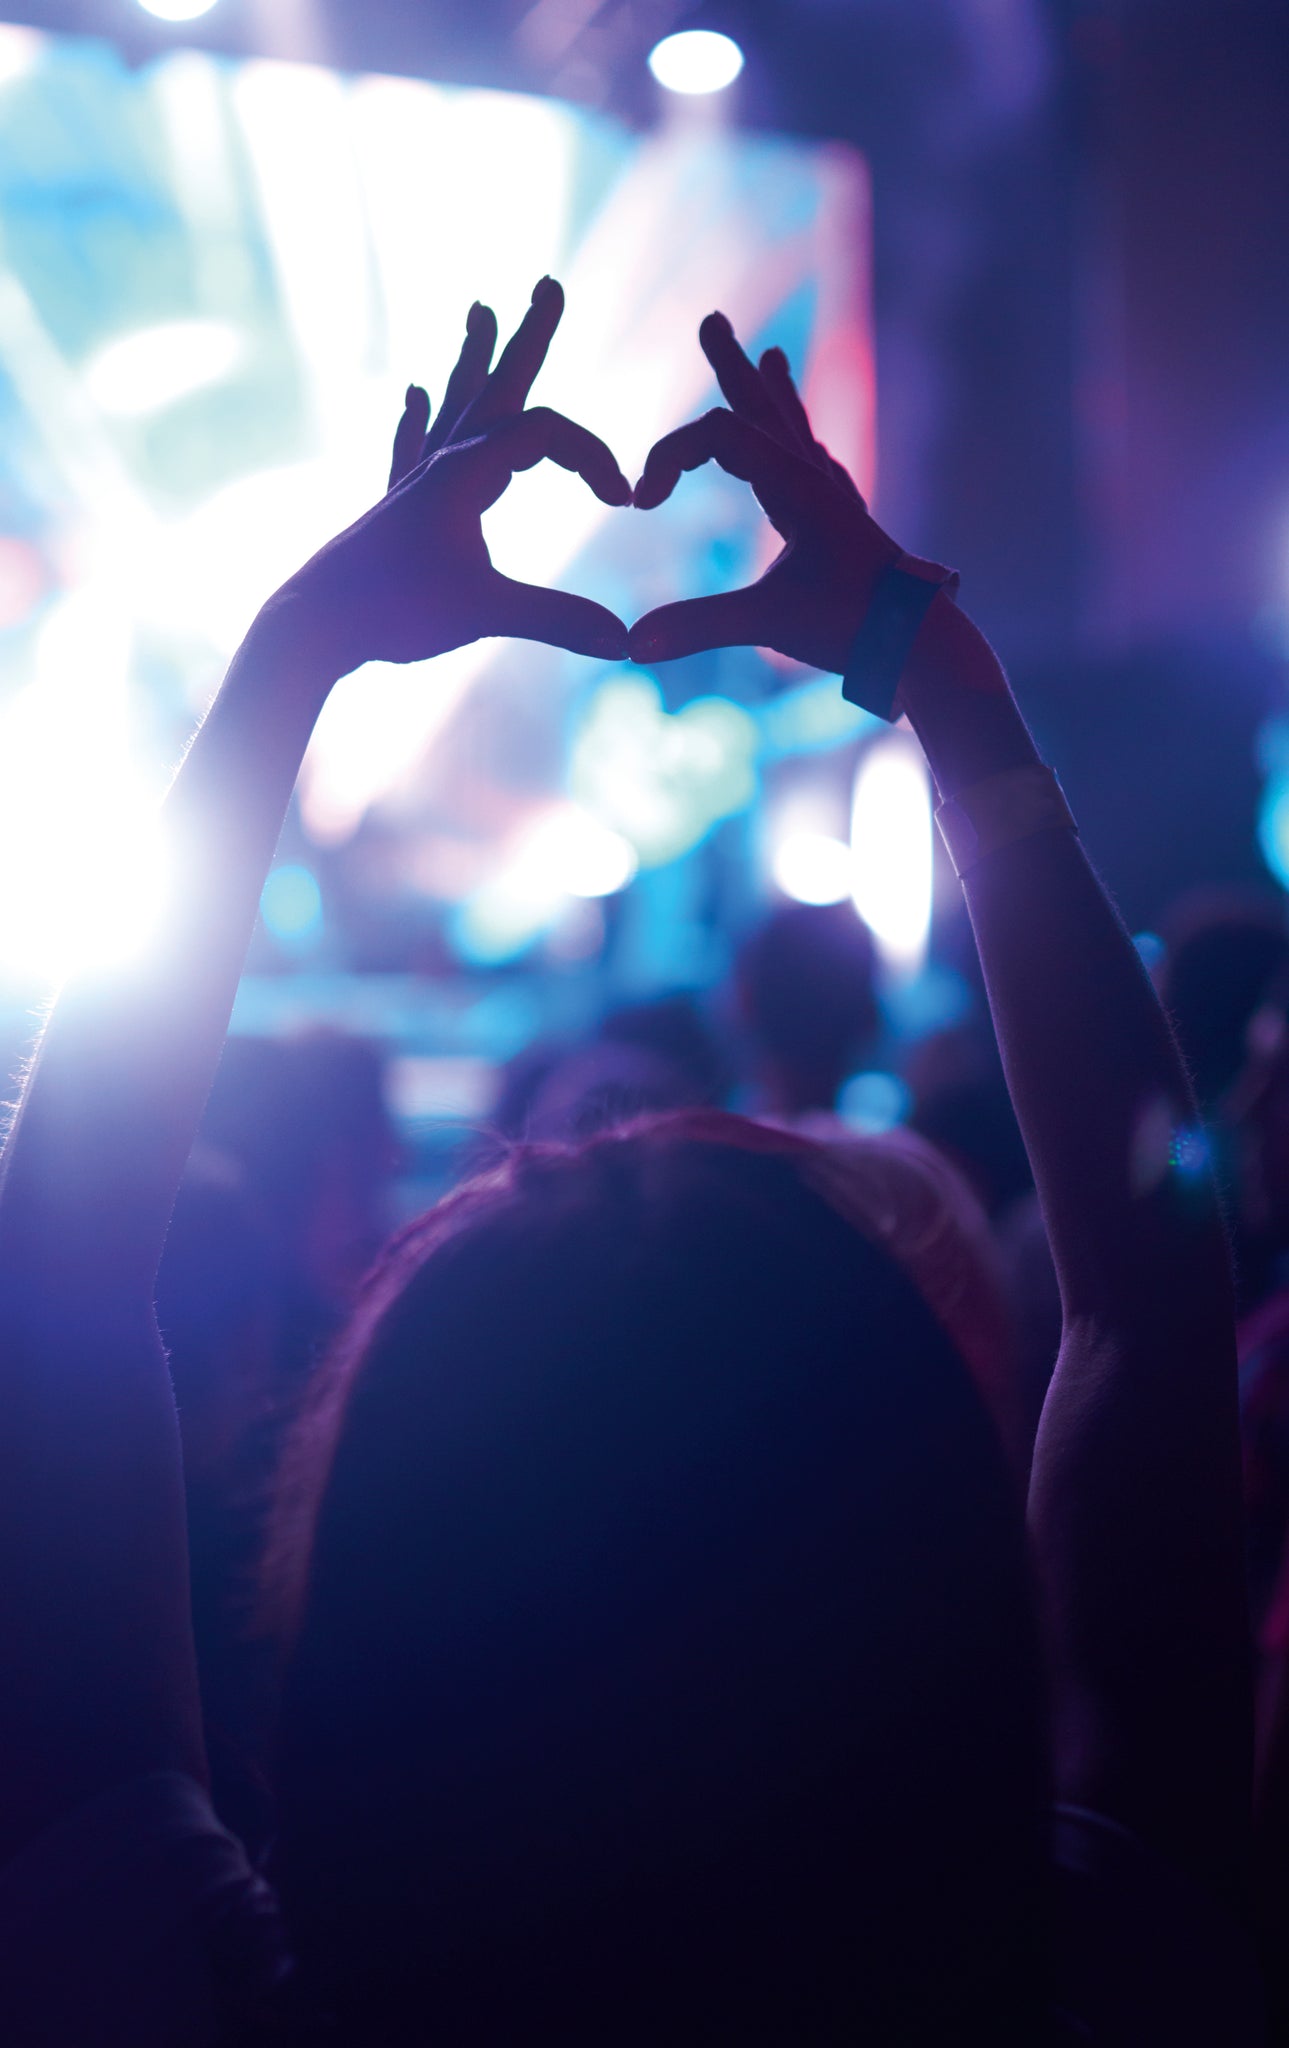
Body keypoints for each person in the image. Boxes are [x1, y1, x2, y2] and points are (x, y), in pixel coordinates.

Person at [0, 289, 1260, 2041]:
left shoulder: (175, 1999)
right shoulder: (1091, 1978)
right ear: (935, 1555)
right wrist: (947, 687)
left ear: (366, 1593)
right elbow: (1148, 1306)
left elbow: (52, 1292)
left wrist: (295, 656)